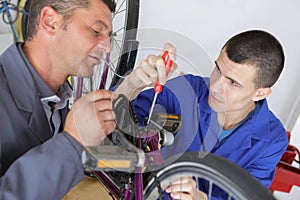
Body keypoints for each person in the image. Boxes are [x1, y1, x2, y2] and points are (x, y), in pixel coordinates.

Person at [0, 0, 177, 199]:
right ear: (50, 22)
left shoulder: (54, 97)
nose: (108, 47)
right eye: (96, 30)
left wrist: (132, 84)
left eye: (108, 36)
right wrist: (72, 142)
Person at [130, 30, 289, 199]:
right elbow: (117, 125)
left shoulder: (272, 140)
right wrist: (134, 84)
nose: (215, 87)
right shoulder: (186, 89)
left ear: (260, 94)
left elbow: (247, 196)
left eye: (233, 83)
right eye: (218, 70)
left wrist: (200, 197)